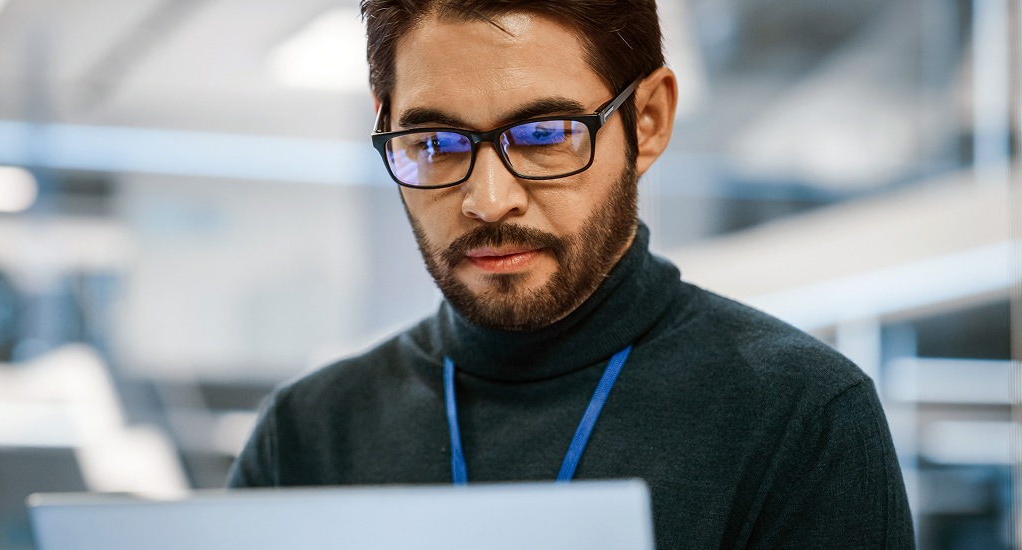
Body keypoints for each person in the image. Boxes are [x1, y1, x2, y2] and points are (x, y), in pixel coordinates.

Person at [229, 0, 915, 547]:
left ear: (646, 121)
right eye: (434, 144)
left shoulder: (798, 416)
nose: (489, 199)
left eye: (544, 134)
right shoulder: (309, 434)